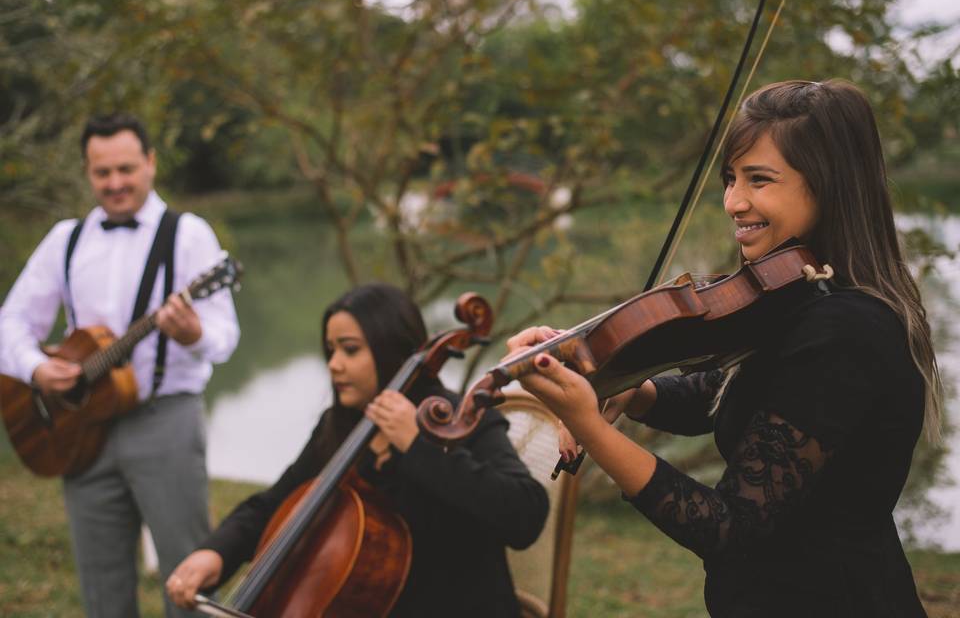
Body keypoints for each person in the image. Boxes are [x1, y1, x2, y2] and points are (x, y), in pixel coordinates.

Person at [506, 80, 941, 617]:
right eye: (730, 178)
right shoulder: (801, 294)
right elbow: (717, 396)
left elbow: (727, 527)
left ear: (831, 186)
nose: (733, 202)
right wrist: (633, 390)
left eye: (759, 180)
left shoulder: (846, 328)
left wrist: (589, 425)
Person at [166, 283, 549, 617]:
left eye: (349, 350)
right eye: (330, 350)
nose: (334, 365)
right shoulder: (343, 425)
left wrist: (416, 445)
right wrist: (217, 553)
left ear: (391, 349)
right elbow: (273, 504)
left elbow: (524, 514)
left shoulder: (458, 419)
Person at [0, 114, 240, 618]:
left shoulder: (189, 235)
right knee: (101, 585)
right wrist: (36, 369)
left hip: (165, 420)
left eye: (126, 169)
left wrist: (191, 332)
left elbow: (224, 337)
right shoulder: (66, 239)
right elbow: (12, 323)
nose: (115, 183)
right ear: (87, 172)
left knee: (187, 580)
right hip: (80, 428)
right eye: (102, 172)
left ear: (151, 163)